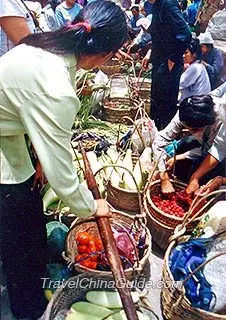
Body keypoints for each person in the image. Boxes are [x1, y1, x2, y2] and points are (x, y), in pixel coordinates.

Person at [0, 1, 128, 319]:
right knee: (21, 242)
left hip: (9, 141)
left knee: (28, 226)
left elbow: (25, 108)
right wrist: (90, 206)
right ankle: (27, 309)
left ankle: (27, 281)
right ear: (107, 53)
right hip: (5, 155)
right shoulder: (57, 86)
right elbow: (63, 177)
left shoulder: (46, 46)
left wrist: (40, 157)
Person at [152, 95, 225, 194]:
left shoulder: (220, 119)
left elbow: (216, 150)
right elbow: (159, 141)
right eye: (190, 129)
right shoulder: (185, 112)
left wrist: (195, 177)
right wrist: (163, 176)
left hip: (222, 148)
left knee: (211, 171)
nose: (194, 133)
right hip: (207, 143)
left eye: (197, 129)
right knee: (182, 145)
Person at [142, 0, 191, 130]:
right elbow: (159, 35)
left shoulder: (167, 4)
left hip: (168, 63)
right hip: (160, 61)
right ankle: (154, 132)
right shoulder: (157, 5)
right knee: (156, 100)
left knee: (166, 104)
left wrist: (173, 59)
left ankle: (165, 136)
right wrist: (149, 54)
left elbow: (185, 34)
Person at [179, 38, 211, 102]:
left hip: (196, 103)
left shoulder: (195, 67)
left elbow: (180, 84)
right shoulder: (198, 65)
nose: (183, 56)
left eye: (186, 53)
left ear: (194, 54)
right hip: (200, 101)